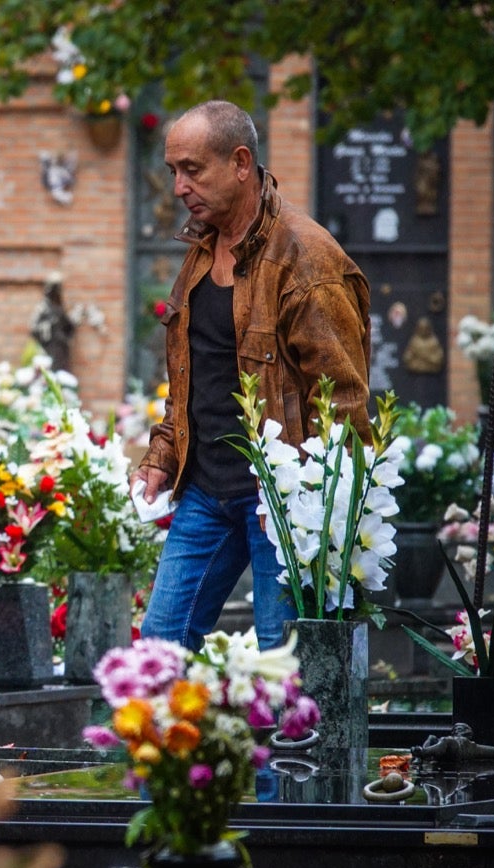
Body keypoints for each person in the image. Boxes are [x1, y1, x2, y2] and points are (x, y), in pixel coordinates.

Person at [132, 100, 371, 650]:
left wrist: (318, 509)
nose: (178, 187)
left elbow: (345, 406)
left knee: (283, 667)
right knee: (158, 653)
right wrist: (161, 457)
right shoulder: (201, 249)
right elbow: (195, 376)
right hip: (204, 492)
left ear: (241, 163)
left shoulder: (306, 259)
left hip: (280, 503)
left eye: (192, 169)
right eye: (173, 171)